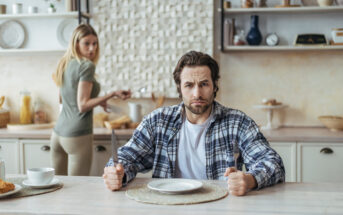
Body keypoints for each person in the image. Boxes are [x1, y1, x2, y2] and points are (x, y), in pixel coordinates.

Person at [103, 51, 284, 196]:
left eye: (204, 84)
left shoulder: (237, 123)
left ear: (214, 86)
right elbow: (127, 156)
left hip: (220, 207)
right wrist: (118, 172)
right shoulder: (157, 121)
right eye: (189, 85)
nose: (197, 93)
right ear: (179, 89)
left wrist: (250, 179)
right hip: (168, 207)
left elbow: (273, 163)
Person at [51, 24, 131, 176]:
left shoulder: (65, 63)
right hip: (77, 136)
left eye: (95, 43)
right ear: (76, 43)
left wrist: (99, 100)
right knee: (77, 190)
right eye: (86, 43)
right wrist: (112, 93)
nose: (92, 48)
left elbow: (63, 99)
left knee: (56, 188)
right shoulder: (86, 66)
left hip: (57, 135)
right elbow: (82, 105)